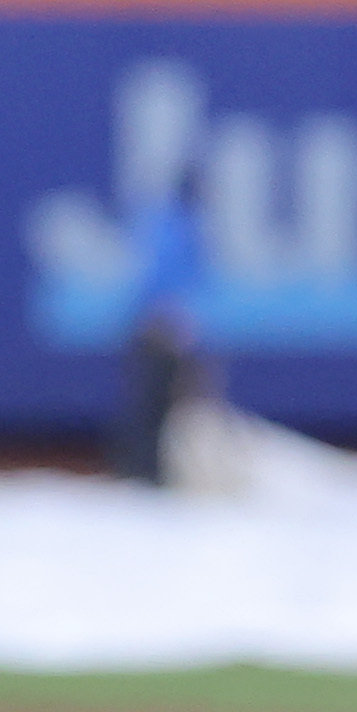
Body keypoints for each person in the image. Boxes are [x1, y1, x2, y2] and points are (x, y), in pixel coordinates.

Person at [109, 179, 209, 488]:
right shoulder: (178, 228)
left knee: (154, 406)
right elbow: (164, 282)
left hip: (157, 328)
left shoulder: (166, 224)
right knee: (153, 406)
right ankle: (142, 471)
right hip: (161, 331)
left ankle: (144, 470)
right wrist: (170, 324)